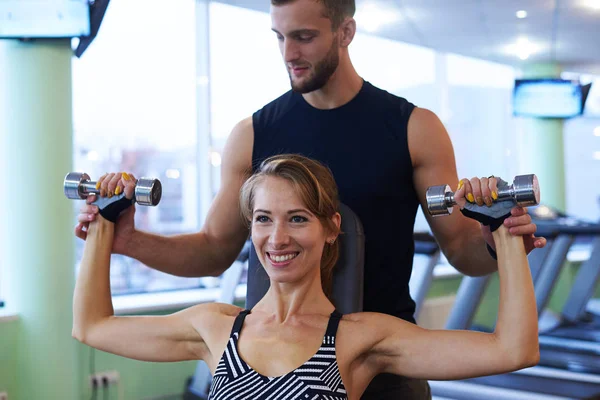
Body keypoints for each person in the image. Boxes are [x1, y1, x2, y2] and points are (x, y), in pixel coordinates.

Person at [75, 0, 546, 397]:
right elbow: (214, 250)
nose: (289, 53)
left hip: (383, 359)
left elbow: (464, 254)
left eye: (302, 37)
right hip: (267, 350)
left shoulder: (412, 128)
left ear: (346, 31)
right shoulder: (253, 135)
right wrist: (128, 239)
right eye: (279, 37)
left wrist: (497, 238)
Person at [72, 155, 540, 400]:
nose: (276, 238)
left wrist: (503, 232)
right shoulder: (215, 327)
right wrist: (105, 224)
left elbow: (513, 349)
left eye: (297, 219)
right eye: (262, 219)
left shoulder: (361, 338)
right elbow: (90, 326)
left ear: (331, 229)